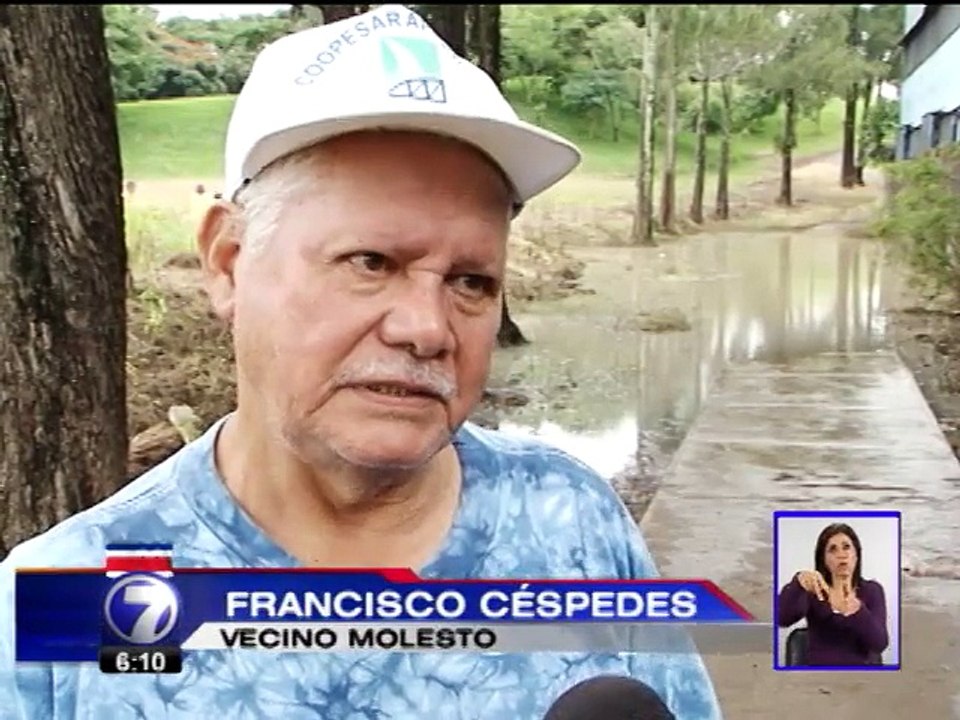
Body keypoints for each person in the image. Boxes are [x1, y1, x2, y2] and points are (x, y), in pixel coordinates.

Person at [0, 5, 722, 719]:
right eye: (370, 262)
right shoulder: (66, 595)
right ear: (228, 262)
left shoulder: (572, 523)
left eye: (472, 282)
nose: (426, 329)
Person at [777, 522, 889, 666]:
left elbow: (879, 644)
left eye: (846, 547)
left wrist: (858, 612)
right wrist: (797, 584)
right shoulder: (814, 591)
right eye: (832, 549)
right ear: (824, 559)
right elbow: (782, 618)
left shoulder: (872, 590)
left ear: (856, 555)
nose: (841, 555)